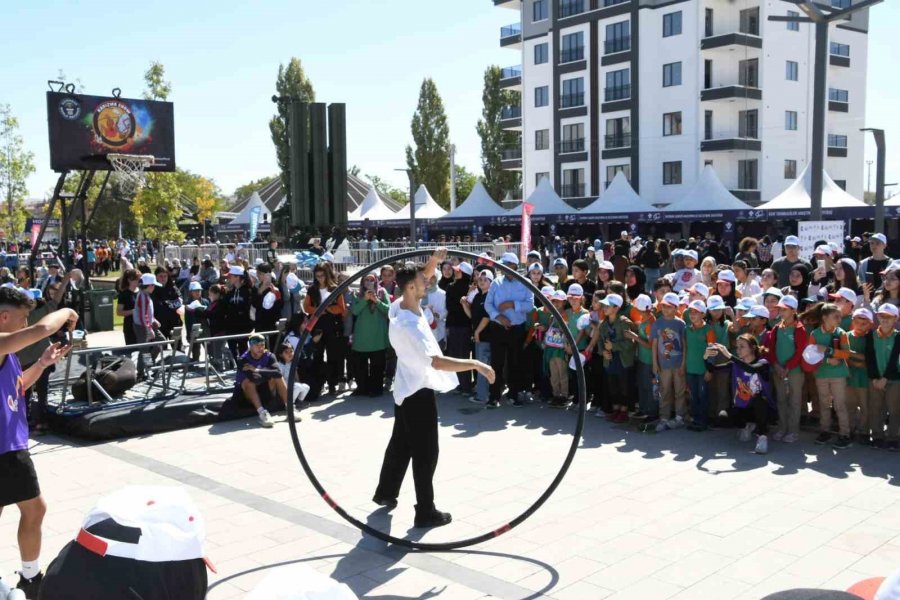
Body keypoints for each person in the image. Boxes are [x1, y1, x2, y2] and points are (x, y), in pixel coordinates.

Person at [372, 248, 494, 529]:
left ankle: (386, 492)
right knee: (426, 453)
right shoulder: (410, 325)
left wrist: (433, 261)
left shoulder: (399, 305)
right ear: (412, 287)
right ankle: (425, 511)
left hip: (404, 388)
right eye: (423, 281)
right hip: (417, 394)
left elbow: (421, 278)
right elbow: (437, 362)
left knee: (401, 445)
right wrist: (476, 364)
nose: (429, 282)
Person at [0, 287, 77, 598]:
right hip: (6, 450)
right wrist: (67, 312)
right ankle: (30, 579)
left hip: (10, 447)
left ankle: (27, 578)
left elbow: (16, 388)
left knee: (27, 510)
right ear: (4, 316)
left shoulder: (8, 354)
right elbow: (43, 328)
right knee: (35, 509)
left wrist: (43, 363)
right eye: (22, 318)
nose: (25, 324)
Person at [706, 335, 772, 454]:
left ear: (752, 348)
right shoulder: (735, 364)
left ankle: (762, 437)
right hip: (742, 406)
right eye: (737, 347)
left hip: (762, 408)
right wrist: (706, 357)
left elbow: (751, 369)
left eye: (742, 347)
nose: (738, 350)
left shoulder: (763, 363)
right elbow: (713, 369)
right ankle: (745, 426)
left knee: (759, 400)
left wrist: (729, 355)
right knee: (722, 417)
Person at [485, 252, 533, 407]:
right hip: (498, 328)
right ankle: (494, 396)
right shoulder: (496, 282)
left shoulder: (525, 282)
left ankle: (514, 395)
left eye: (505, 264)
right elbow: (488, 304)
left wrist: (513, 304)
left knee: (515, 362)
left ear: (513, 266)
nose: (501, 268)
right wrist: (498, 317)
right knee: (496, 363)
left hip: (517, 329)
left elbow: (530, 305)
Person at [807, 302, 853, 449]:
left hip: (838, 375)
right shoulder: (815, 334)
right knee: (824, 404)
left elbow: (846, 353)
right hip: (821, 374)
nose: (839, 320)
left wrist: (830, 351)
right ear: (825, 317)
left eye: (840, 317)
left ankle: (845, 434)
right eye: (836, 316)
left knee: (840, 405)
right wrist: (828, 359)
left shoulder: (842, 334)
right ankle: (824, 431)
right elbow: (809, 354)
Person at [763, 295, 807, 443]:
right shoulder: (776, 328)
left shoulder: (800, 329)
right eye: (780, 309)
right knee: (781, 400)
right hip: (779, 371)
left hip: (794, 372)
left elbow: (800, 351)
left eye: (785, 309)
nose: (781, 312)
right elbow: (770, 349)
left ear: (794, 311)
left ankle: (793, 431)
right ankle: (782, 428)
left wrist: (787, 367)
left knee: (794, 400)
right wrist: (776, 365)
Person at [234, 334, 303, 428]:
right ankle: (262, 413)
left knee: (278, 377)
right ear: (250, 346)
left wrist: (257, 370)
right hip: (247, 395)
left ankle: (290, 409)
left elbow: (278, 373)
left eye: (262, 345)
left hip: (266, 391)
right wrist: (268, 373)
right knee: (248, 382)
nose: (260, 348)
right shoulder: (243, 359)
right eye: (257, 345)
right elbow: (254, 379)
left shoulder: (270, 356)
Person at [865, 303, 900, 449]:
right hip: (875, 379)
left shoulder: (898, 337)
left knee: (894, 409)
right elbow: (870, 358)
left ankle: (893, 438)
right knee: (876, 408)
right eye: (881, 316)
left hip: (894, 379)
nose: (884, 319)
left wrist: (885, 378)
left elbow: (895, 358)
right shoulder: (871, 335)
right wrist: (875, 378)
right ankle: (877, 436)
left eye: (888, 317)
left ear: (895, 319)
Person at [349, 273, 390, 397]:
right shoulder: (356, 294)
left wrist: (376, 301)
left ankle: (376, 389)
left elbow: (389, 310)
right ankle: (362, 388)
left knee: (377, 366)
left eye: (371, 280)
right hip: (361, 337)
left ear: (376, 281)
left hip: (378, 336)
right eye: (366, 280)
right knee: (360, 366)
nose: (368, 282)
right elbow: (355, 311)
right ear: (362, 282)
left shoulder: (382, 292)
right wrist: (365, 300)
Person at [652, 292, 688, 431]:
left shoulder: (680, 324)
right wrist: (655, 363)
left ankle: (680, 416)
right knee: (664, 390)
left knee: (680, 391)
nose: (666, 310)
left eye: (670, 307)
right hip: (664, 364)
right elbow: (655, 344)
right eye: (664, 307)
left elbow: (684, 345)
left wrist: (683, 363)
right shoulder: (658, 322)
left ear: (676, 308)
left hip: (678, 364)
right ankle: (664, 417)